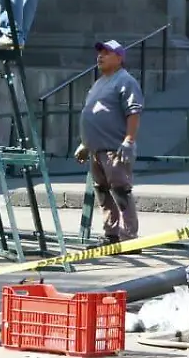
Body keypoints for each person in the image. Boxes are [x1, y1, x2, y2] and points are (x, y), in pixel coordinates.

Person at [73, 40, 144, 246]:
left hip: (115, 149)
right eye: (100, 53)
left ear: (119, 58)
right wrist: (85, 144)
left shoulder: (125, 81)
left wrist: (129, 140)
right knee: (103, 192)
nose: (100, 56)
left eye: (106, 53)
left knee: (120, 190)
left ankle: (129, 238)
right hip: (96, 150)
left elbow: (133, 112)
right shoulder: (99, 82)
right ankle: (111, 235)